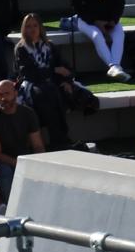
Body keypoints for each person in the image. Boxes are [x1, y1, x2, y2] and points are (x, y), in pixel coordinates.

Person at [13, 12, 88, 150]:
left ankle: (61, 138)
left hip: (51, 82)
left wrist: (66, 80)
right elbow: (29, 73)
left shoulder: (50, 46)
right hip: (31, 84)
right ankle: (59, 140)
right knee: (47, 92)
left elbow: (65, 68)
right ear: (24, 29)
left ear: (40, 27)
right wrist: (53, 71)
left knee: (62, 91)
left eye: (35, 25)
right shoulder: (21, 49)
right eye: (28, 26)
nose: (32, 29)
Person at [0, 80, 44, 204]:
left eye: (7, 94)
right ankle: (10, 209)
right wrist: (19, 164)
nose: (4, 98)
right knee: (5, 172)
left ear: (15, 93)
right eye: (0, 95)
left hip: (23, 158)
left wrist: (39, 163)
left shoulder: (28, 113)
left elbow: (38, 146)